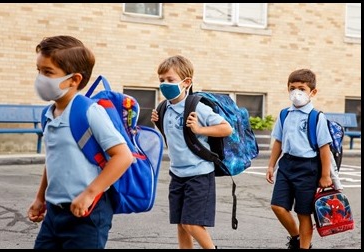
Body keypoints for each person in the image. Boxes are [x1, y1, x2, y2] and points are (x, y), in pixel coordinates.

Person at [27, 35, 134, 249]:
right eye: (39, 70)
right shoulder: (49, 114)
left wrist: (89, 194)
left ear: (74, 79)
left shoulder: (89, 111)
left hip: (88, 212)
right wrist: (40, 198)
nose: (41, 78)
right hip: (54, 213)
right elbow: (53, 159)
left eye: (48, 72)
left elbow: (123, 156)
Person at [151, 55, 232, 249]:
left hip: (199, 174)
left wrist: (200, 129)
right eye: (161, 80)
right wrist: (158, 121)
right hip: (177, 174)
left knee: (192, 224)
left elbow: (226, 128)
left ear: (186, 82)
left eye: (170, 80)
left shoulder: (198, 108)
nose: (164, 84)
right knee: (181, 224)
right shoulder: (164, 108)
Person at [266, 69, 333, 249]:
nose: (297, 92)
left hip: (308, 167)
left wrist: (325, 175)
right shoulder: (284, 114)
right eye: (292, 88)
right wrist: (271, 165)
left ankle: (304, 246)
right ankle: (296, 237)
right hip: (287, 165)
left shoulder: (316, 117)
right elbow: (278, 142)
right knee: (278, 206)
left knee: (304, 213)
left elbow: (324, 148)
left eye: (302, 88)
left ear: (313, 92)